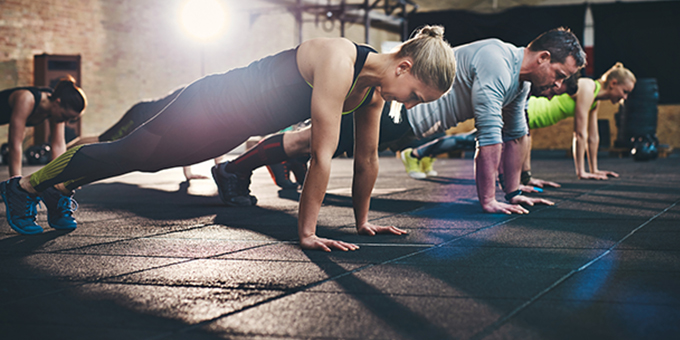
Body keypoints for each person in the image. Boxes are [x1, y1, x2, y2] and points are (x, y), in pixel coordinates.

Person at [1, 26, 457, 253]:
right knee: (132, 151)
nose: (412, 105)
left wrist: (361, 223)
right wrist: (307, 233)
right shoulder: (340, 59)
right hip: (214, 101)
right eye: (417, 96)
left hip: (232, 124)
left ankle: (62, 187)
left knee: (149, 162)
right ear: (404, 68)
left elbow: (367, 160)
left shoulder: (372, 93)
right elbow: (321, 154)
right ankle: (24, 188)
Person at [216, 27, 585, 215]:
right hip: (400, 109)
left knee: (314, 142)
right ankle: (233, 169)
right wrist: (489, 199)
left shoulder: (519, 84)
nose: (559, 85)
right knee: (311, 141)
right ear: (543, 58)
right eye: (560, 74)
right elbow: (489, 138)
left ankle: (281, 159)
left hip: (412, 122)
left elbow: (517, 135)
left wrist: (517, 189)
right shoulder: (497, 59)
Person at [521, 62, 636, 186]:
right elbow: (579, 133)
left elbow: (593, 137)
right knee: (518, 143)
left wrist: (594, 170)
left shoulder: (594, 99)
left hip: (535, 118)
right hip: (533, 111)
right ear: (613, 83)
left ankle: (524, 178)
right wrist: (581, 172)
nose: (624, 97)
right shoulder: (587, 87)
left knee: (524, 143)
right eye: (625, 91)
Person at [70, 86, 216, 180]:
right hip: (139, 115)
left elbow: (204, 138)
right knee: (104, 140)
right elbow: (189, 136)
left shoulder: (204, 108)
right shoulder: (195, 99)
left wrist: (188, 174)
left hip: (148, 118)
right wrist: (188, 173)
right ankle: (63, 152)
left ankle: (63, 153)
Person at [0, 76, 87, 178]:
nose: (65, 122)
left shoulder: (56, 107)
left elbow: (58, 146)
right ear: (57, 102)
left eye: (70, 119)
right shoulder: (27, 99)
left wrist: (62, 177)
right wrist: (15, 180)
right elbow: (15, 143)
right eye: (65, 116)